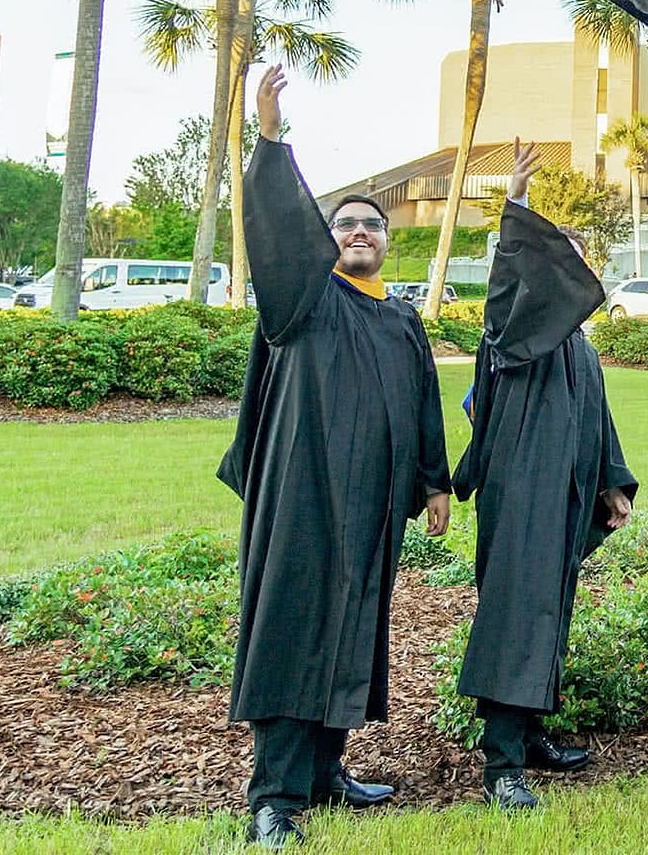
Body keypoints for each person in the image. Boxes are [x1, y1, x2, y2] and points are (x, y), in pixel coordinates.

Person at [217, 65, 451, 848]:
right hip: (305, 499)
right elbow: (279, 233)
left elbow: (423, 404)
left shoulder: (401, 319)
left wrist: (435, 481)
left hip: (374, 507)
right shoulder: (304, 298)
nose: (358, 232)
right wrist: (272, 139)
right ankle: (274, 795)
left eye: (370, 226)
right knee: (293, 627)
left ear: (387, 242)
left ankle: (326, 770)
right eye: (346, 222)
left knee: (353, 627)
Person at [452, 139, 640, 810]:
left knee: (547, 612)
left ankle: (527, 735)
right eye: (555, 253)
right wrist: (519, 207)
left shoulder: (579, 344)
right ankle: (501, 763)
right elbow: (507, 287)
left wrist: (610, 481)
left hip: (562, 494)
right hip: (522, 489)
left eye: (576, 254)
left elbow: (597, 417)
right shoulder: (515, 329)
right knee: (515, 614)